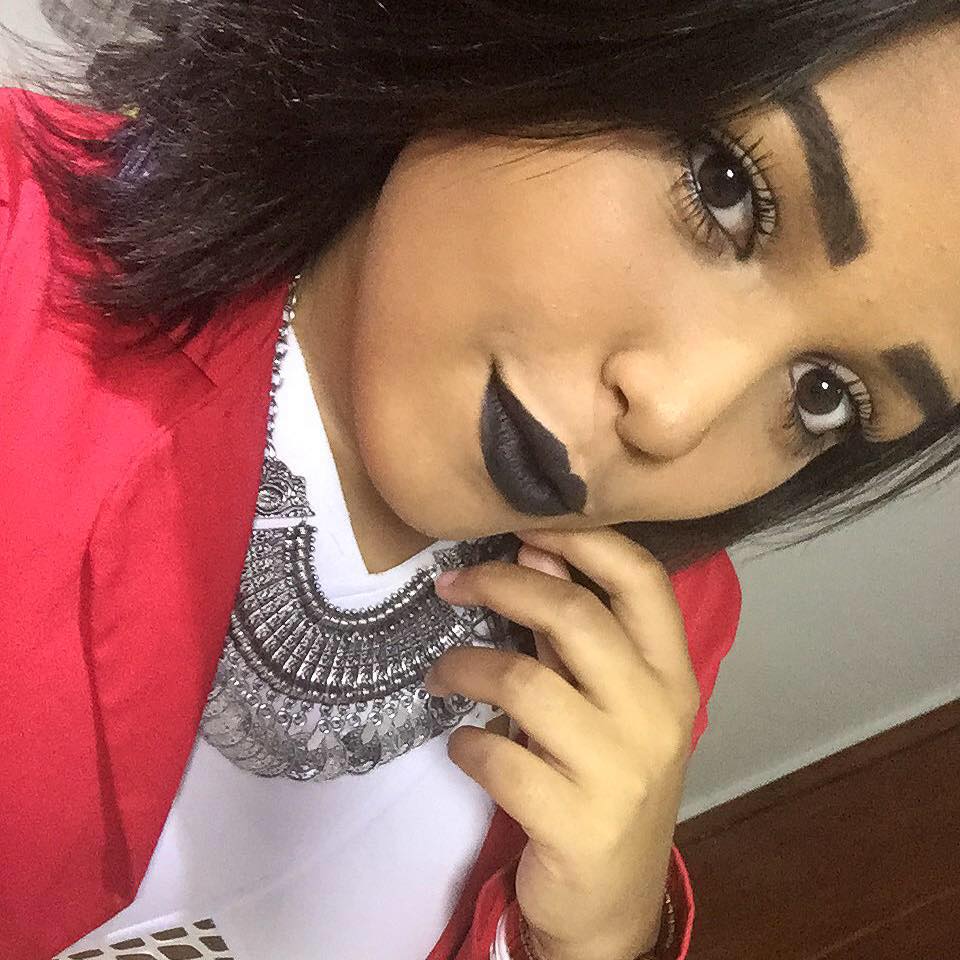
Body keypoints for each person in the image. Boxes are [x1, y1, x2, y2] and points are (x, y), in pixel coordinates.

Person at [1, 2, 958, 958]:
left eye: (823, 394)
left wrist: (597, 937)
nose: (675, 415)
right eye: (726, 189)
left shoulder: (647, 634)